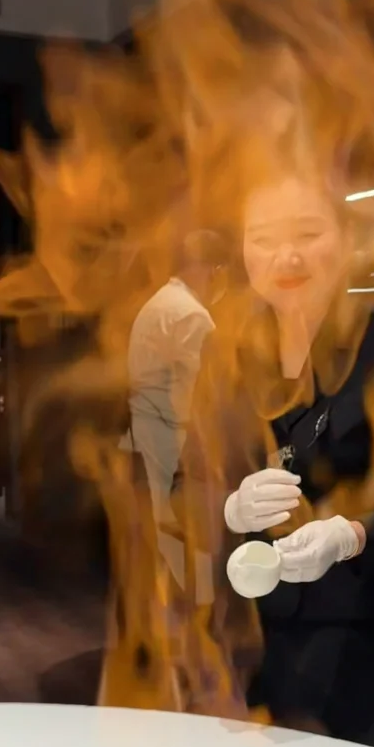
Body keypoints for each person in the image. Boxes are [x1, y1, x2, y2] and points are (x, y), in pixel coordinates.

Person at [193, 176, 374, 747]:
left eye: (307, 234)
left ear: (344, 241)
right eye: (264, 238)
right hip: (260, 641)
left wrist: (351, 534)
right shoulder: (226, 353)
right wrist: (228, 506)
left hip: (373, 645)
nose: (286, 256)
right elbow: (189, 481)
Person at [125, 229, 229, 591]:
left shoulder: (159, 304)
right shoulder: (190, 315)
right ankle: (198, 608)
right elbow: (203, 392)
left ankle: (173, 610)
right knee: (192, 540)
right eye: (219, 269)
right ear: (207, 268)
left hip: (150, 436)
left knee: (165, 541)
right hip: (178, 445)